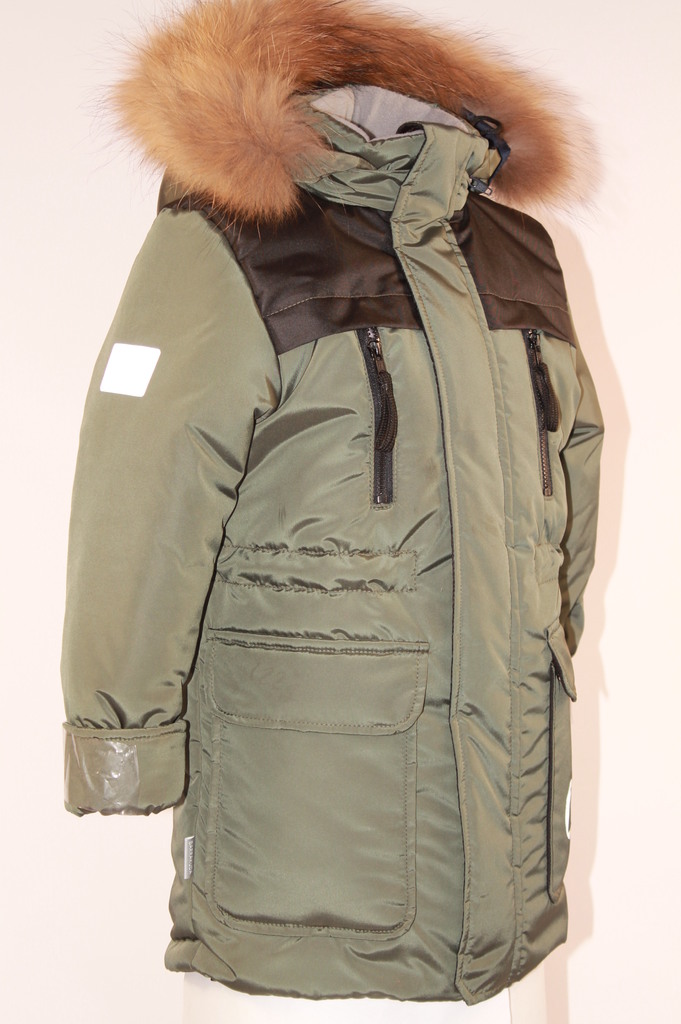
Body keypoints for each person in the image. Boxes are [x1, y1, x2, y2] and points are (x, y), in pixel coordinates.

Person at [61, 0, 604, 1010]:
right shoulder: (235, 240)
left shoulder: (521, 251)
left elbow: (568, 491)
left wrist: (549, 636)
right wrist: (120, 732)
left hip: (510, 855)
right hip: (311, 838)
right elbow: (139, 491)